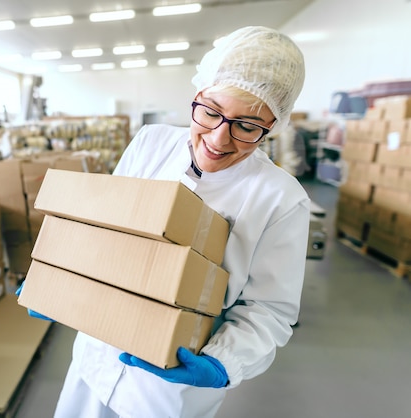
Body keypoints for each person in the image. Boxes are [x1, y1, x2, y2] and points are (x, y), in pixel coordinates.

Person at [24, 26, 310, 417]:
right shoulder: (150, 143)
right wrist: (62, 279)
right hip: (95, 357)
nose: (219, 139)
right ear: (197, 95)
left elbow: (269, 310)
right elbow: (104, 230)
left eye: (246, 126)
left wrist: (223, 363)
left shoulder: (280, 198)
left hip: (166, 392)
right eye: (210, 112)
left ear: (272, 127)